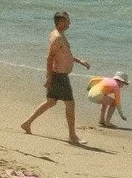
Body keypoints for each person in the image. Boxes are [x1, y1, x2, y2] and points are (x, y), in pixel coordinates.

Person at [21, 10, 90, 144]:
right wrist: (49, 77)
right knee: (70, 104)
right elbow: (50, 57)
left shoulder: (58, 35)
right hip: (59, 76)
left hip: (58, 75)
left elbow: (63, 54)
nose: (70, 23)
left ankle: (27, 123)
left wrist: (78, 60)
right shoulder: (57, 37)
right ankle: (72, 136)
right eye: (67, 20)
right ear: (61, 22)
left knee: (51, 101)